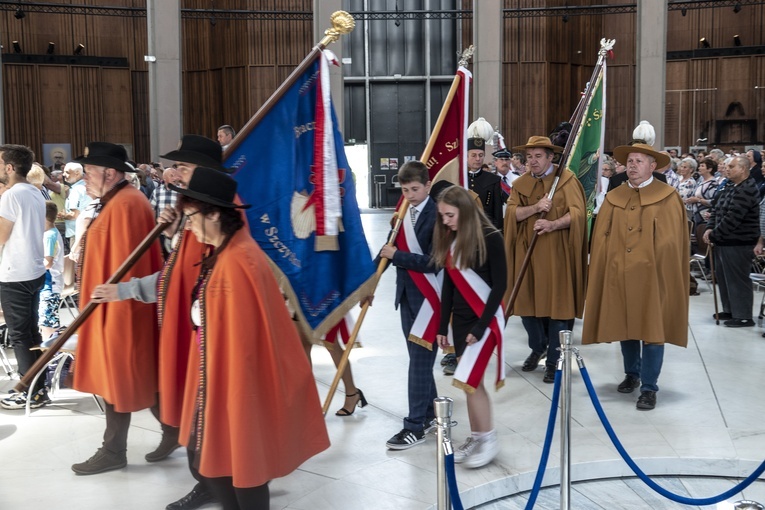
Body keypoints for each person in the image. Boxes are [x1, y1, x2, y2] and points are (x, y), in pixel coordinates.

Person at [92, 167, 330, 510]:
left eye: (191, 217)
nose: (189, 226)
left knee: (238, 466)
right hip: (219, 376)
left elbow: (243, 342)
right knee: (220, 465)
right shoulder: (221, 252)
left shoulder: (236, 263)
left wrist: (223, 390)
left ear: (215, 213)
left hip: (234, 383)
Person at [68, 141, 167, 475]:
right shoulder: (117, 201)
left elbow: (130, 269)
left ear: (109, 173)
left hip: (122, 311)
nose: (84, 180)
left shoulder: (126, 205)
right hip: (112, 308)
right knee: (134, 377)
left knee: (119, 377)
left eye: (89, 172)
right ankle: (176, 432)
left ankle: (114, 449)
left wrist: (118, 308)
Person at [583, 142, 689, 411]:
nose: (632, 165)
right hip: (620, 274)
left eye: (639, 161)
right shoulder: (614, 196)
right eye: (630, 161)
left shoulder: (667, 196)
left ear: (653, 166)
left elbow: (672, 242)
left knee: (653, 330)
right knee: (625, 326)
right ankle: (632, 373)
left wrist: (651, 263)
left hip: (653, 277)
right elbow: (601, 238)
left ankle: (650, 387)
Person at [504, 136, 587, 383]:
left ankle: (554, 362)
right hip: (527, 255)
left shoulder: (567, 181)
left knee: (557, 309)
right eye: (529, 157)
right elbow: (511, 213)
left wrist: (553, 224)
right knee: (527, 308)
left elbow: (579, 214)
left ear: (551, 157)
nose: (533, 161)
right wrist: (534, 208)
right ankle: (538, 346)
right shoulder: (520, 183)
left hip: (557, 255)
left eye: (538, 156)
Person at [434, 185, 506, 468]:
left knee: (472, 381)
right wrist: (443, 326)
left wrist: (481, 326)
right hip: (462, 321)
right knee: (469, 383)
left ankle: (488, 439)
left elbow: (500, 285)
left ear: (463, 211)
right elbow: (449, 288)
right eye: (442, 216)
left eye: (449, 215)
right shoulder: (453, 240)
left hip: (484, 320)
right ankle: (478, 436)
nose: (445, 222)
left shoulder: (491, 237)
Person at [378, 160, 440, 451]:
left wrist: (397, 255)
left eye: (415, 189)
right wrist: (367, 285)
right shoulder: (402, 214)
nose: (410, 195)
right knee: (420, 360)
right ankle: (429, 414)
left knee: (418, 361)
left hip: (431, 300)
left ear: (428, 185)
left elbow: (433, 262)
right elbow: (387, 252)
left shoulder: (438, 215)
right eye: (404, 190)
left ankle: (414, 425)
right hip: (407, 296)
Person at [0, 144, 49, 410]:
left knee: (20, 336)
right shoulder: (35, 191)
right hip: (33, 270)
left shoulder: (11, 196)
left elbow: (1, 237)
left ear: (10, 167)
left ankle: (29, 389)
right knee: (31, 334)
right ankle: (38, 387)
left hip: (15, 273)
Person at [703, 155, 760, 327]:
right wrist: (709, 228)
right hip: (724, 240)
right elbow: (716, 209)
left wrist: (715, 234)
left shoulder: (748, 188)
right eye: (727, 166)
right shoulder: (729, 185)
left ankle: (743, 316)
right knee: (724, 277)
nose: (727, 169)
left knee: (737, 279)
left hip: (739, 241)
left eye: (732, 166)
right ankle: (730, 310)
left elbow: (733, 217)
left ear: (743, 169)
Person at [465, 118, 504, 230]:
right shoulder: (459, 178)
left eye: (481, 155)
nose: (478, 159)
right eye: (474, 155)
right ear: (466, 157)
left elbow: (497, 215)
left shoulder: (493, 180)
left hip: (485, 233)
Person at [39, 201, 65, 341]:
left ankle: (50, 353)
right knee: (48, 319)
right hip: (52, 283)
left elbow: (47, 262)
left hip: (50, 284)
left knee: (47, 320)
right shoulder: (53, 233)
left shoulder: (49, 236)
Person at [60, 161, 91, 251]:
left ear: (77, 173)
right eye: (63, 172)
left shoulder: (76, 190)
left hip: (76, 233)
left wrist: (63, 215)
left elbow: (74, 215)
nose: (64, 175)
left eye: (67, 172)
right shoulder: (87, 186)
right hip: (86, 231)